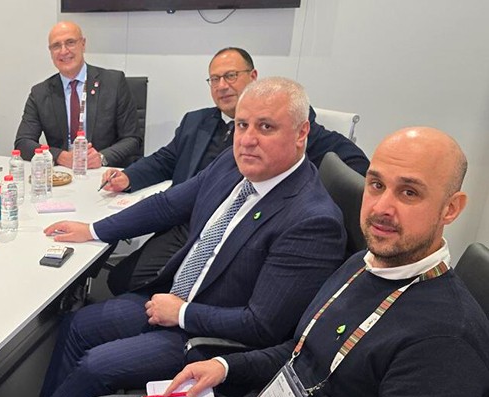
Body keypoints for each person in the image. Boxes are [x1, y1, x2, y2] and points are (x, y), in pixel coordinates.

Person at [0, 77, 347, 397]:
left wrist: (181, 313)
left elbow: (261, 327)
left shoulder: (311, 220)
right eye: (242, 125)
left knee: (96, 364)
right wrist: (93, 229)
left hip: (211, 335)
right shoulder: (235, 165)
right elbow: (168, 204)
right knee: (77, 325)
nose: (247, 139)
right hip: (174, 299)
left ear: (301, 133)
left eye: (265, 127)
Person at [72, 126, 489, 397]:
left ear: (451, 209)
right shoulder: (363, 264)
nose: (382, 207)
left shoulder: (448, 337)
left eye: (409, 193)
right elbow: (300, 352)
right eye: (376, 185)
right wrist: (225, 366)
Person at [100, 47, 370, 296]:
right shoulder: (196, 121)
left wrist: (304, 202)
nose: (222, 86)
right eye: (214, 79)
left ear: (253, 77)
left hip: (238, 233)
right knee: (121, 279)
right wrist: (129, 176)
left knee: (147, 290)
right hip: (186, 223)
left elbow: (353, 169)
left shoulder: (290, 128)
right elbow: (166, 159)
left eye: (230, 76)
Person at [14, 21, 142, 167]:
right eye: (56, 46)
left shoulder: (114, 83)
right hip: (63, 173)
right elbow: (23, 143)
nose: (63, 51)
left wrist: (101, 157)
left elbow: (132, 139)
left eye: (70, 42)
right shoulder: (40, 93)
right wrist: (59, 156)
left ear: (83, 44)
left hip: (104, 171)